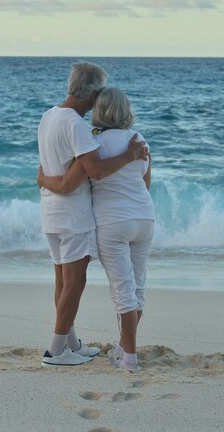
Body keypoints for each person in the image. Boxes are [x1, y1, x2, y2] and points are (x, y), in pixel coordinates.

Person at [38, 64, 147, 367]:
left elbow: (52, 170)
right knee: (75, 283)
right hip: (73, 214)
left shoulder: (49, 116)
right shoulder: (75, 124)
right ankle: (55, 350)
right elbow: (94, 171)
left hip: (50, 211)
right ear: (92, 92)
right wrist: (130, 155)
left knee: (61, 281)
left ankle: (72, 343)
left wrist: (45, 181)